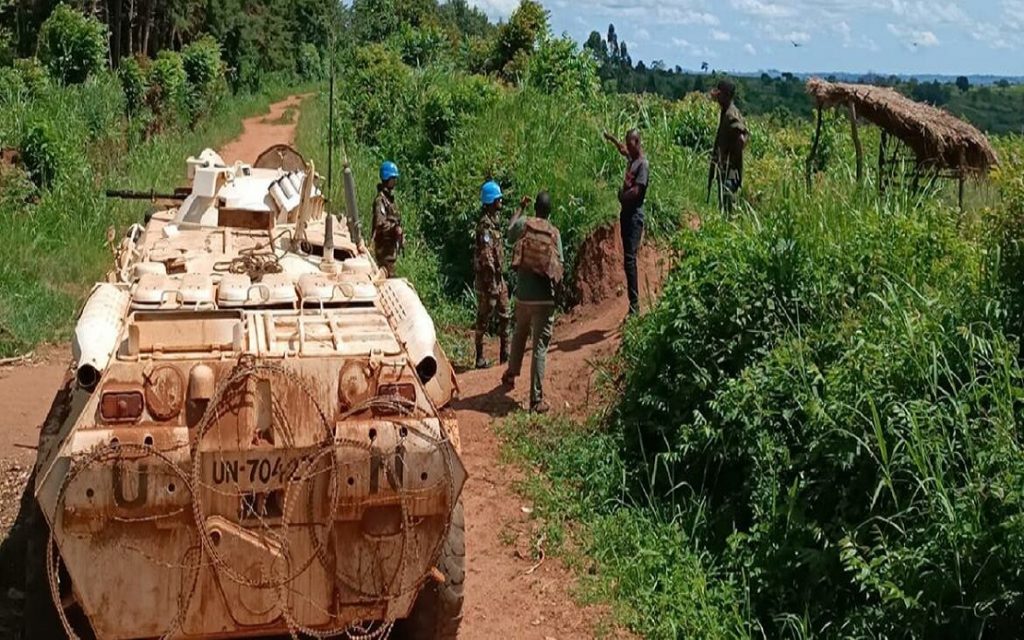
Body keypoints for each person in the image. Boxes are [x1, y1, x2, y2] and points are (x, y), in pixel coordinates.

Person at [501, 191, 563, 414]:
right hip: (544, 300)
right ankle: (536, 401)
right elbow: (560, 266)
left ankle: (511, 373)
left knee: (520, 333)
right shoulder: (554, 233)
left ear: (535, 208)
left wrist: (520, 208)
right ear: (549, 212)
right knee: (539, 348)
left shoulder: (524, 224)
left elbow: (509, 232)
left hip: (523, 296)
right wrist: (558, 297)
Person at [603, 128, 649, 316]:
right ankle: (633, 304)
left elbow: (637, 191)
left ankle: (634, 306)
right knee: (628, 260)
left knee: (630, 260)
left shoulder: (642, 165)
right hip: (626, 215)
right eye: (627, 145)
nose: (628, 148)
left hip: (634, 216)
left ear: (637, 143)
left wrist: (622, 196)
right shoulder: (631, 157)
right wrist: (611, 139)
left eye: (631, 145)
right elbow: (622, 149)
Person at [473, 180, 510, 369]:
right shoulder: (485, 227)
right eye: (498, 198)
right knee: (484, 318)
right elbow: (487, 257)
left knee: (505, 315)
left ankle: (505, 354)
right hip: (488, 280)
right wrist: (492, 284)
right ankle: (480, 357)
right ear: (491, 201)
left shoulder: (494, 223)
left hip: (498, 278)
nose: (500, 201)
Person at [709, 80, 749, 212]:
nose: (717, 97)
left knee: (728, 200)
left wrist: (730, 160)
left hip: (731, 170)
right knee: (724, 201)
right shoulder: (726, 112)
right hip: (727, 169)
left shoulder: (731, 115)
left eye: (719, 94)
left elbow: (742, 138)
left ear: (726, 95)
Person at [372, 160, 404, 277]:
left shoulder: (389, 200)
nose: (395, 181)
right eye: (393, 178)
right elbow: (380, 223)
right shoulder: (380, 200)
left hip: (390, 250)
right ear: (387, 178)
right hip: (383, 251)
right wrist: (394, 228)